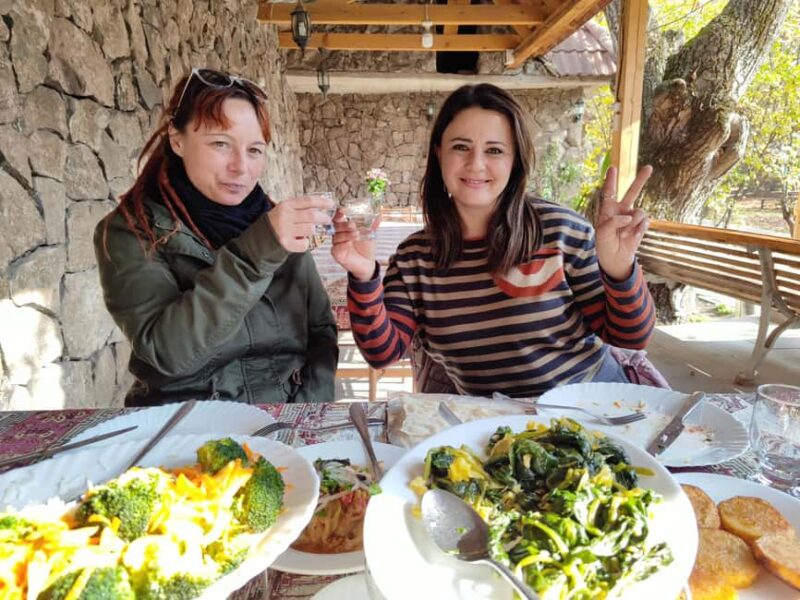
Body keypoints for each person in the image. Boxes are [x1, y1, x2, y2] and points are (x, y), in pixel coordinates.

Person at [332, 83, 656, 398]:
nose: (476, 164)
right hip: (488, 425)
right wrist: (363, 276)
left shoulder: (561, 231)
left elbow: (630, 337)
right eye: (461, 146)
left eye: (495, 150)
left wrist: (620, 270)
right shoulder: (415, 257)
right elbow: (382, 353)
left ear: (514, 161)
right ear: (439, 153)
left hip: (586, 409)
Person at [94, 68, 338, 406]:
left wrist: (309, 407)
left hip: (285, 415)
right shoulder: (131, 232)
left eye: (254, 150)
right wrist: (257, 252)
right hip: (186, 423)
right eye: (221, 144)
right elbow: (170, 354)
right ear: (177, 140)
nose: (240, 166)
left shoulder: (274, 221)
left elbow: (321, 330)